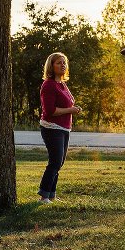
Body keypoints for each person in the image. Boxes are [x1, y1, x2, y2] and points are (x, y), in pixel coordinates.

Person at [38, 52, 81, 203]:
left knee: (59, 163)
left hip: (63, 128)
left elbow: (67, 104)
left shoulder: (62, 84)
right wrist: (71, 110)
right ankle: (43, 196)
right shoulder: (48, 85)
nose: (62, 65)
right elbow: (50, 111)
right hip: (51, 127)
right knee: (55, 162)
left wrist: (73, 108)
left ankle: (51, 195)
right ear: (51, 66)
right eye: (58, 62)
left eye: (64, 62)